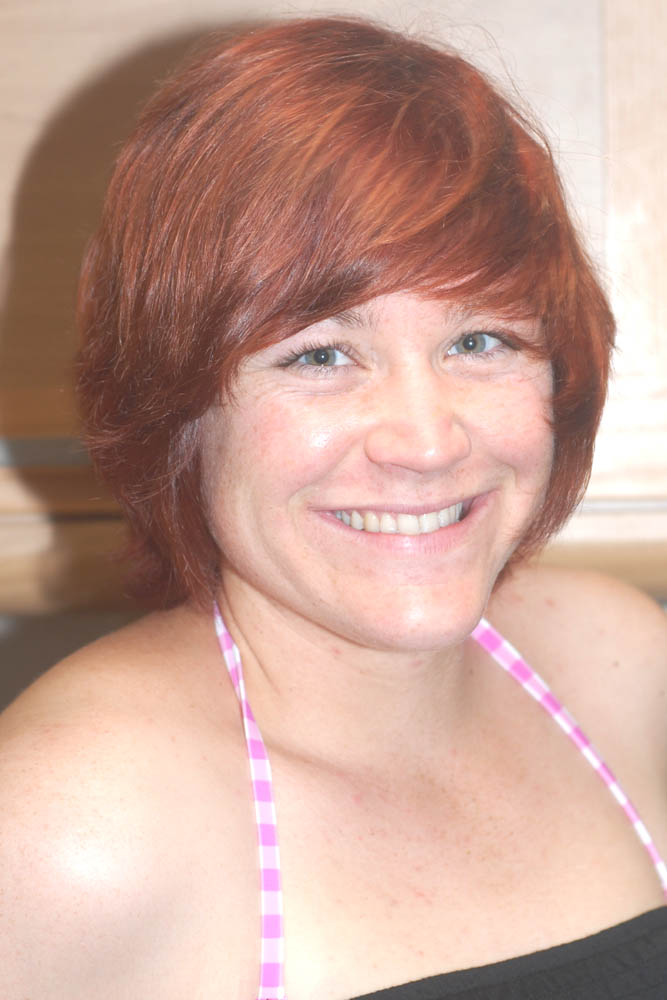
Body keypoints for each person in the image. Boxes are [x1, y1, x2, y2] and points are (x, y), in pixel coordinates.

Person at [1, 15, 666, 1000]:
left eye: (478, 341)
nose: (427, 441)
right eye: (319, 355)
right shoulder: (75, 821)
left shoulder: (619, 665)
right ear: (177, 412)